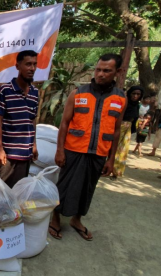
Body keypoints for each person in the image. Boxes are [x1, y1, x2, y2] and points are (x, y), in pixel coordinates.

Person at [48, 53, 126, 241]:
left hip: (99, 152)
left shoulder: (120, 99)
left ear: (118, 72)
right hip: (74, 150)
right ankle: (55, 218)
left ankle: (76, 220)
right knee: (64, 186)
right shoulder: (79, 93)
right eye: (98, 69)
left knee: (88, 189)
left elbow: (116, 131)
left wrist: (111, 159)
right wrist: (60, 150)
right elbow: (64, 124)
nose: (101, 74)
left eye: (107, 71)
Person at [0, 50, 39, 188]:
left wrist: (34, 144)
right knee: (1, 190)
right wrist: (0, 148)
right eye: (28, 64)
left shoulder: (35, 93)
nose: (32, 68)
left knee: (19, 191)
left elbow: (32, 120)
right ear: (18, 66)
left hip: (26, 153)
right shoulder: (5, 90)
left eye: (34, 64)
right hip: (8, 154)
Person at [113, 86, 143, 177]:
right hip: (119, 126)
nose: (135, 96)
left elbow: (135, 118)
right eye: (134, 93)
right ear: (130, 93)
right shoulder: (124, 102)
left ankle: (117, 170)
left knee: (123, 149)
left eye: (138, 94)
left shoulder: (137, 105)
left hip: (128, 128)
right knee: (114, 147)